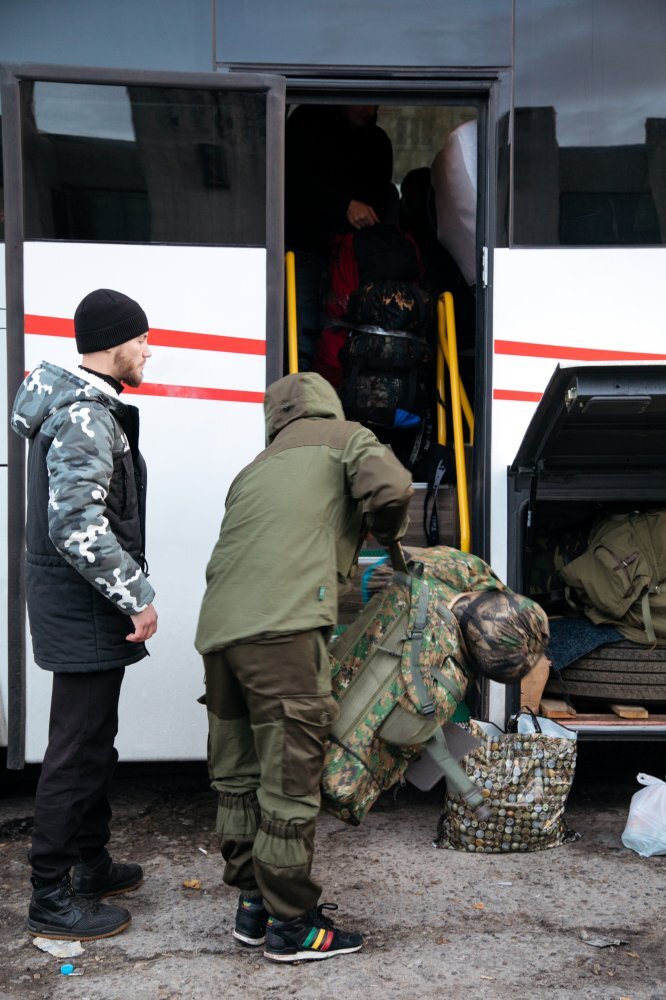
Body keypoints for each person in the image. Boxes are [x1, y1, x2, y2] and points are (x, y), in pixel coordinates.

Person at [195, 371, 413, 963]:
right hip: (285, 628)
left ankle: (253, 905)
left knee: (238, 771)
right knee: (290, 774)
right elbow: (391, 487)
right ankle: (293, 926)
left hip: (219, 631)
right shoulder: (347, 437)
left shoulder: (254, 467)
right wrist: (388, 537)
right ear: (326, 405)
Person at [11, 289, 158, 941]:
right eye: (142, 339)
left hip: (83, 607)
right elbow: (74, 525)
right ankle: (50, 895)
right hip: (86, 608)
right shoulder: (85, 416)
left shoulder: (81, 407)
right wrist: (137, 594)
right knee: (74, 749)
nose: (149, 350)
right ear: (112, 343)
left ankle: (90, 865)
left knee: (93, 741)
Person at [285, 104, 394, 370]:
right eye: (362, 100)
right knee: (302, 337)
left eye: (374, 103)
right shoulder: (305, 123)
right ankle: (306, 404)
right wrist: (343, 205)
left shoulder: (378, 142)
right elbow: (291, 182)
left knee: (352, 337)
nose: (367, 109)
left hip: (355, 259)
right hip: (303, 248)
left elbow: (380, 201)